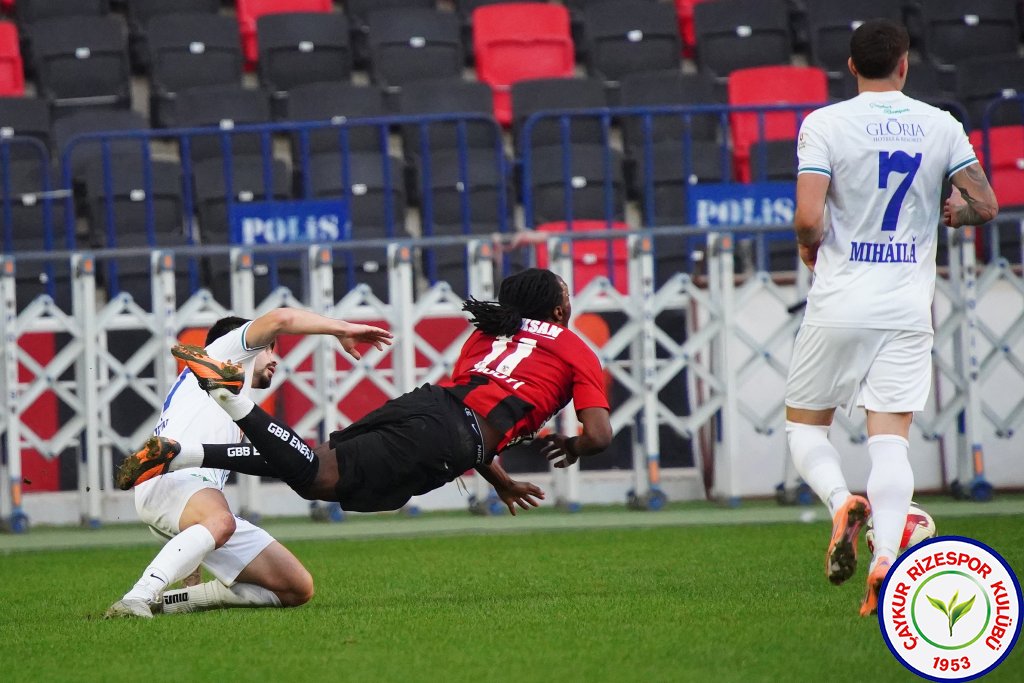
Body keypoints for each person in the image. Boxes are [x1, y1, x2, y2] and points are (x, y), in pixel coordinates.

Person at [786, 19, 998, 616]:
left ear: (851, 67)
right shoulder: (941, 124)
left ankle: (838, 503)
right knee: (890, 443)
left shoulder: (824, 124)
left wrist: (811, 243)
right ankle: (888, 558)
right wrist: (948, 216)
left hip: (840, 300)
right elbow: (985, 203)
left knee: (805, 428)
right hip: (906, 306)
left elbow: (807, 219)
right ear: (905, 64)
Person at [116, 268, 613, 516]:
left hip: (430, 405)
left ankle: (182, 454)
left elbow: (472, 410)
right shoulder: (574, 348)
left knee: (315, 462)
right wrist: (573, 446)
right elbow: (599, 433)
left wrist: (500, 481)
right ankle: (231, 398)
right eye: (565, 297)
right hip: (449, 437)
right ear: (554, 308)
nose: (569, 303)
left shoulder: (487, 334)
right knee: (317, 480)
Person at [105, 310, 393, 618]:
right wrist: (342, 328)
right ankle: (138, 596)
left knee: (296, 588)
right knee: (222, 521)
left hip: (184, 492)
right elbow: (282, 317)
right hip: (174, 479)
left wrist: (192, 570)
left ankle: (173, 602)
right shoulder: (225, 352)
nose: (273, 358)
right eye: (269, 348)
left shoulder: (230, 399)